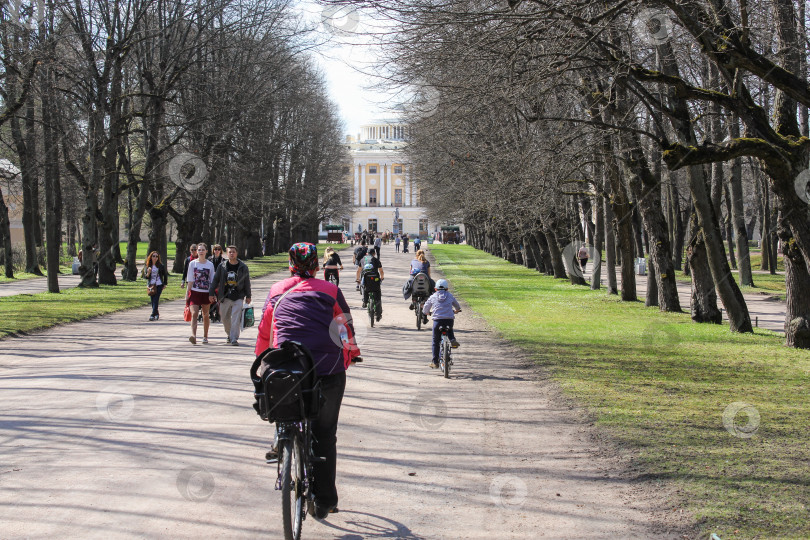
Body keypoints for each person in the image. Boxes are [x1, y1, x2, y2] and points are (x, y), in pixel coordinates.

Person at [254, 242, 362, 519]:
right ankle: (325, 501)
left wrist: (262, 363)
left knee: (284, 401)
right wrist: (348, 357)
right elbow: (344, 326)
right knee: (324, 436)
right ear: (316, 265)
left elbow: (265, 332)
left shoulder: (277, 290)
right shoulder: (330, 290)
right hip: (326, 370)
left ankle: (282, 437)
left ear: (291, 264)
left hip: (288, 369)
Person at [209, 245, 252, 346]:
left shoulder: (243, 267)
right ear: (226, 254)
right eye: (230, 252)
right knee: (224, 318)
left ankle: (234, 338)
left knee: (236, 318)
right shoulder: (222, 266)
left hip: (239, 296)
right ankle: (229, 334)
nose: (231, 254)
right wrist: (211, 293)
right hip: (225, 296)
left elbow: (247, 282)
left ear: (237, 253)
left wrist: (248, 296)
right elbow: (215, 280)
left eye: (233, 252)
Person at [422, 279, 461, 369]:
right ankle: (452, 339)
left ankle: (435, 362)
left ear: (435, 289)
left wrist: (427, 313)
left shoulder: (433, 297)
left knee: (435, 341)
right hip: (448, 320)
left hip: (437, 321)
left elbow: (425, 309)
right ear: (447, 289)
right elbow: (457, 305)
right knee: (449, 328)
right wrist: (457, 310)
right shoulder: (450, 296)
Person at [186, 243, 215, 344]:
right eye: (199, 250)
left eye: (203, 250)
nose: (201, 252)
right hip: (195, 292)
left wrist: (212, 294)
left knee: (205, 315)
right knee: (194, 313)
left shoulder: (210, 265)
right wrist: (187, 294)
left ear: (206, 251)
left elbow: (212, 281)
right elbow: (190, 280)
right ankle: (193, 336)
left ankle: (205, 336)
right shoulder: (192, 264)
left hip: (206, 292)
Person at [356, 249, 384, 321]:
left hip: (365, 279)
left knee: (365, 288)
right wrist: (382, 278)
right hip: (375, 279)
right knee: (378, 294)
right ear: (374, 254)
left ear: (367, 253)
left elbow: (358, 271)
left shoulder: (362, 260)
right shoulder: (376, 260)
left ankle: (365, 301)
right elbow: (381, 271)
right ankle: (378, 313)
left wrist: (357, 279)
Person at [142, 251, 168, 321]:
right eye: (153, 256)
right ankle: (156, 314)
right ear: (151, 257)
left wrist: (165, 284)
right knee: (152, 300)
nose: (155, 258)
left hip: (159, 285)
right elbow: (146, 277)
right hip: (151, 285)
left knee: (156, 300)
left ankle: (152, 314)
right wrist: (148, 273)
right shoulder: (147, 265)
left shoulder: (160, 266)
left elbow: (165, 275)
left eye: (156, 256)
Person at [209, 245, 225, 323]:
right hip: (211, 281)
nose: (217, 251)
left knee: (219, 298)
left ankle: (218, 313)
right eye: (215, 249)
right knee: (211, 296)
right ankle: (211, 311)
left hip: (219, 282)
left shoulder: (223, 261)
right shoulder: (209, 260)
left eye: (219, 249)